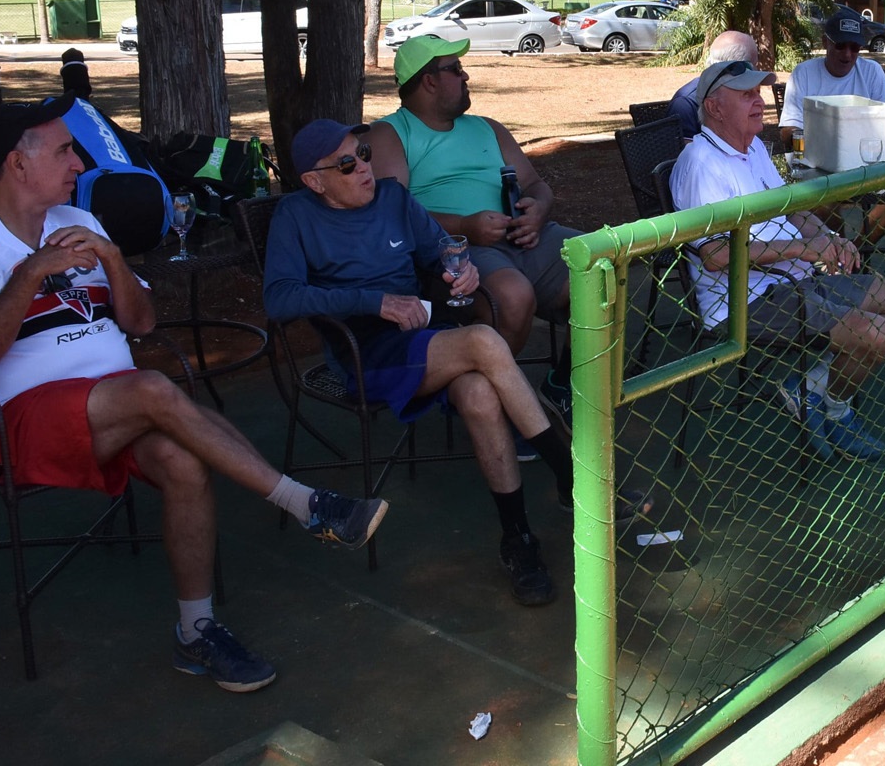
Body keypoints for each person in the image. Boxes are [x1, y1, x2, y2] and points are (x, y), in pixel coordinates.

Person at [0, 97, 387, 693]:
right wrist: (29, 275)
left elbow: (143, 323)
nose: (80, 164)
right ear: (18, 164)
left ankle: (195, 631)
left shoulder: (80, 219)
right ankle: (305, 504)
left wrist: (112, 258)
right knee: (152, 387)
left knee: (182, 460)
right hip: (22, 421)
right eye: (66, 150)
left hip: (116, 406)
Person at [263, 119, 647, 607]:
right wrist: (374, 301)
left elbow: (439, 251)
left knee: (479, 392)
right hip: (363, 352)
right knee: (483, 341)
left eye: (363, 153)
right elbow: (280, 298)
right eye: (345, 164)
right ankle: (572, 476)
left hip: (421, 335)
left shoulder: (392, 198)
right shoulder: (295, 215)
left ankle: (518, 539)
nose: (362, 166)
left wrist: (460, 271)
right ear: (314, 181)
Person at [669, 60, 885, 461]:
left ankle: (809, 388)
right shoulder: (701, 163)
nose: (759, 102)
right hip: (744, 301)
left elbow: (791, 212)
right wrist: (805, 249)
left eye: (758, 93)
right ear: (715, 108)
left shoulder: (752, 146)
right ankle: (837, 410)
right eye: (746, 95)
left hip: (794, 281)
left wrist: (830, 239)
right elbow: (716, 256)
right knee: (872, 333)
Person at [367, 36, 578, 412]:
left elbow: (535, 184)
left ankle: (563, 383)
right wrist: (463, 224)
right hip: (456, 251)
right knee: (513, 297)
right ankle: (496, 407)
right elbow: (391, 214)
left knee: (603, 266)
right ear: (429, 81)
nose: (465, 76)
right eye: (455, 69)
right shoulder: (391, 134)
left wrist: (538, 210)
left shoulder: (487, 127)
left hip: (526, 238)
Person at [780, 13, 885, 243]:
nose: (848, 54)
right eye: (841, 45)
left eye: (855, 47)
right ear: (825, 42)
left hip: (864, 167)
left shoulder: (872, 72)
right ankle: (840, 250)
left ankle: (856, 251)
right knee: (822, 204)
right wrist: (823, 146)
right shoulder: (804, 72)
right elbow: (787, 131)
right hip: (817, 171)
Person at [668, 31, 760, 139]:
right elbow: (683, 148)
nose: (761, 102)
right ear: (737, 68)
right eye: (754, 65)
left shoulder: (741, 98)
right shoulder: (685, 104)